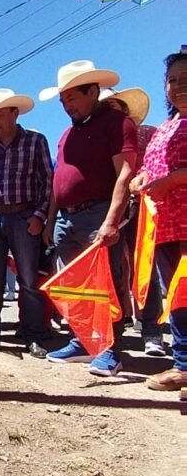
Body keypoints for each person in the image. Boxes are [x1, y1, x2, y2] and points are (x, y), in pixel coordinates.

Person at [41, 60, 137, 376]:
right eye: (63, 100)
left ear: (93, 91)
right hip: (66, 220)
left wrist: (111, 221)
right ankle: (82, 341)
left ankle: (110, 350)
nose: (67, 106)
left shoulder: (116, 122)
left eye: (72, 98)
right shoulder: (67, 134)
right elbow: (59, 181)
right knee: (75, 287)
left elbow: (125, 172)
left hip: (98, 213)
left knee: (105, 282)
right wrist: (52, 219)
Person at [0, 88, 53, 358]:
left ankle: (33, 335)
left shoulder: (35, 141)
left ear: (15, 113)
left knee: (28, 280)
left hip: (24, 217)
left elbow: (47, 183)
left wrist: (39, 216)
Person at [130, 47, 187, 391]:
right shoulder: (167, 127)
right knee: (178, 297)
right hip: (166, 225)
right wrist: (142, 178)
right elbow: (149, 167)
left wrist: (173, 180)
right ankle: (183, 364)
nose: (179, 86)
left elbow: (172, 173)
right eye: (173, 80)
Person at [100, 86, 164, 356]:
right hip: (111, 210)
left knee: (144, 268)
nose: (110, 111)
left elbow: (157, 164)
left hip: (141, 207)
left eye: (115, 105)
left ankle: (151, 330)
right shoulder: (100, 136)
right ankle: (116, 325)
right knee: (113, 270)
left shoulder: (149, 133)